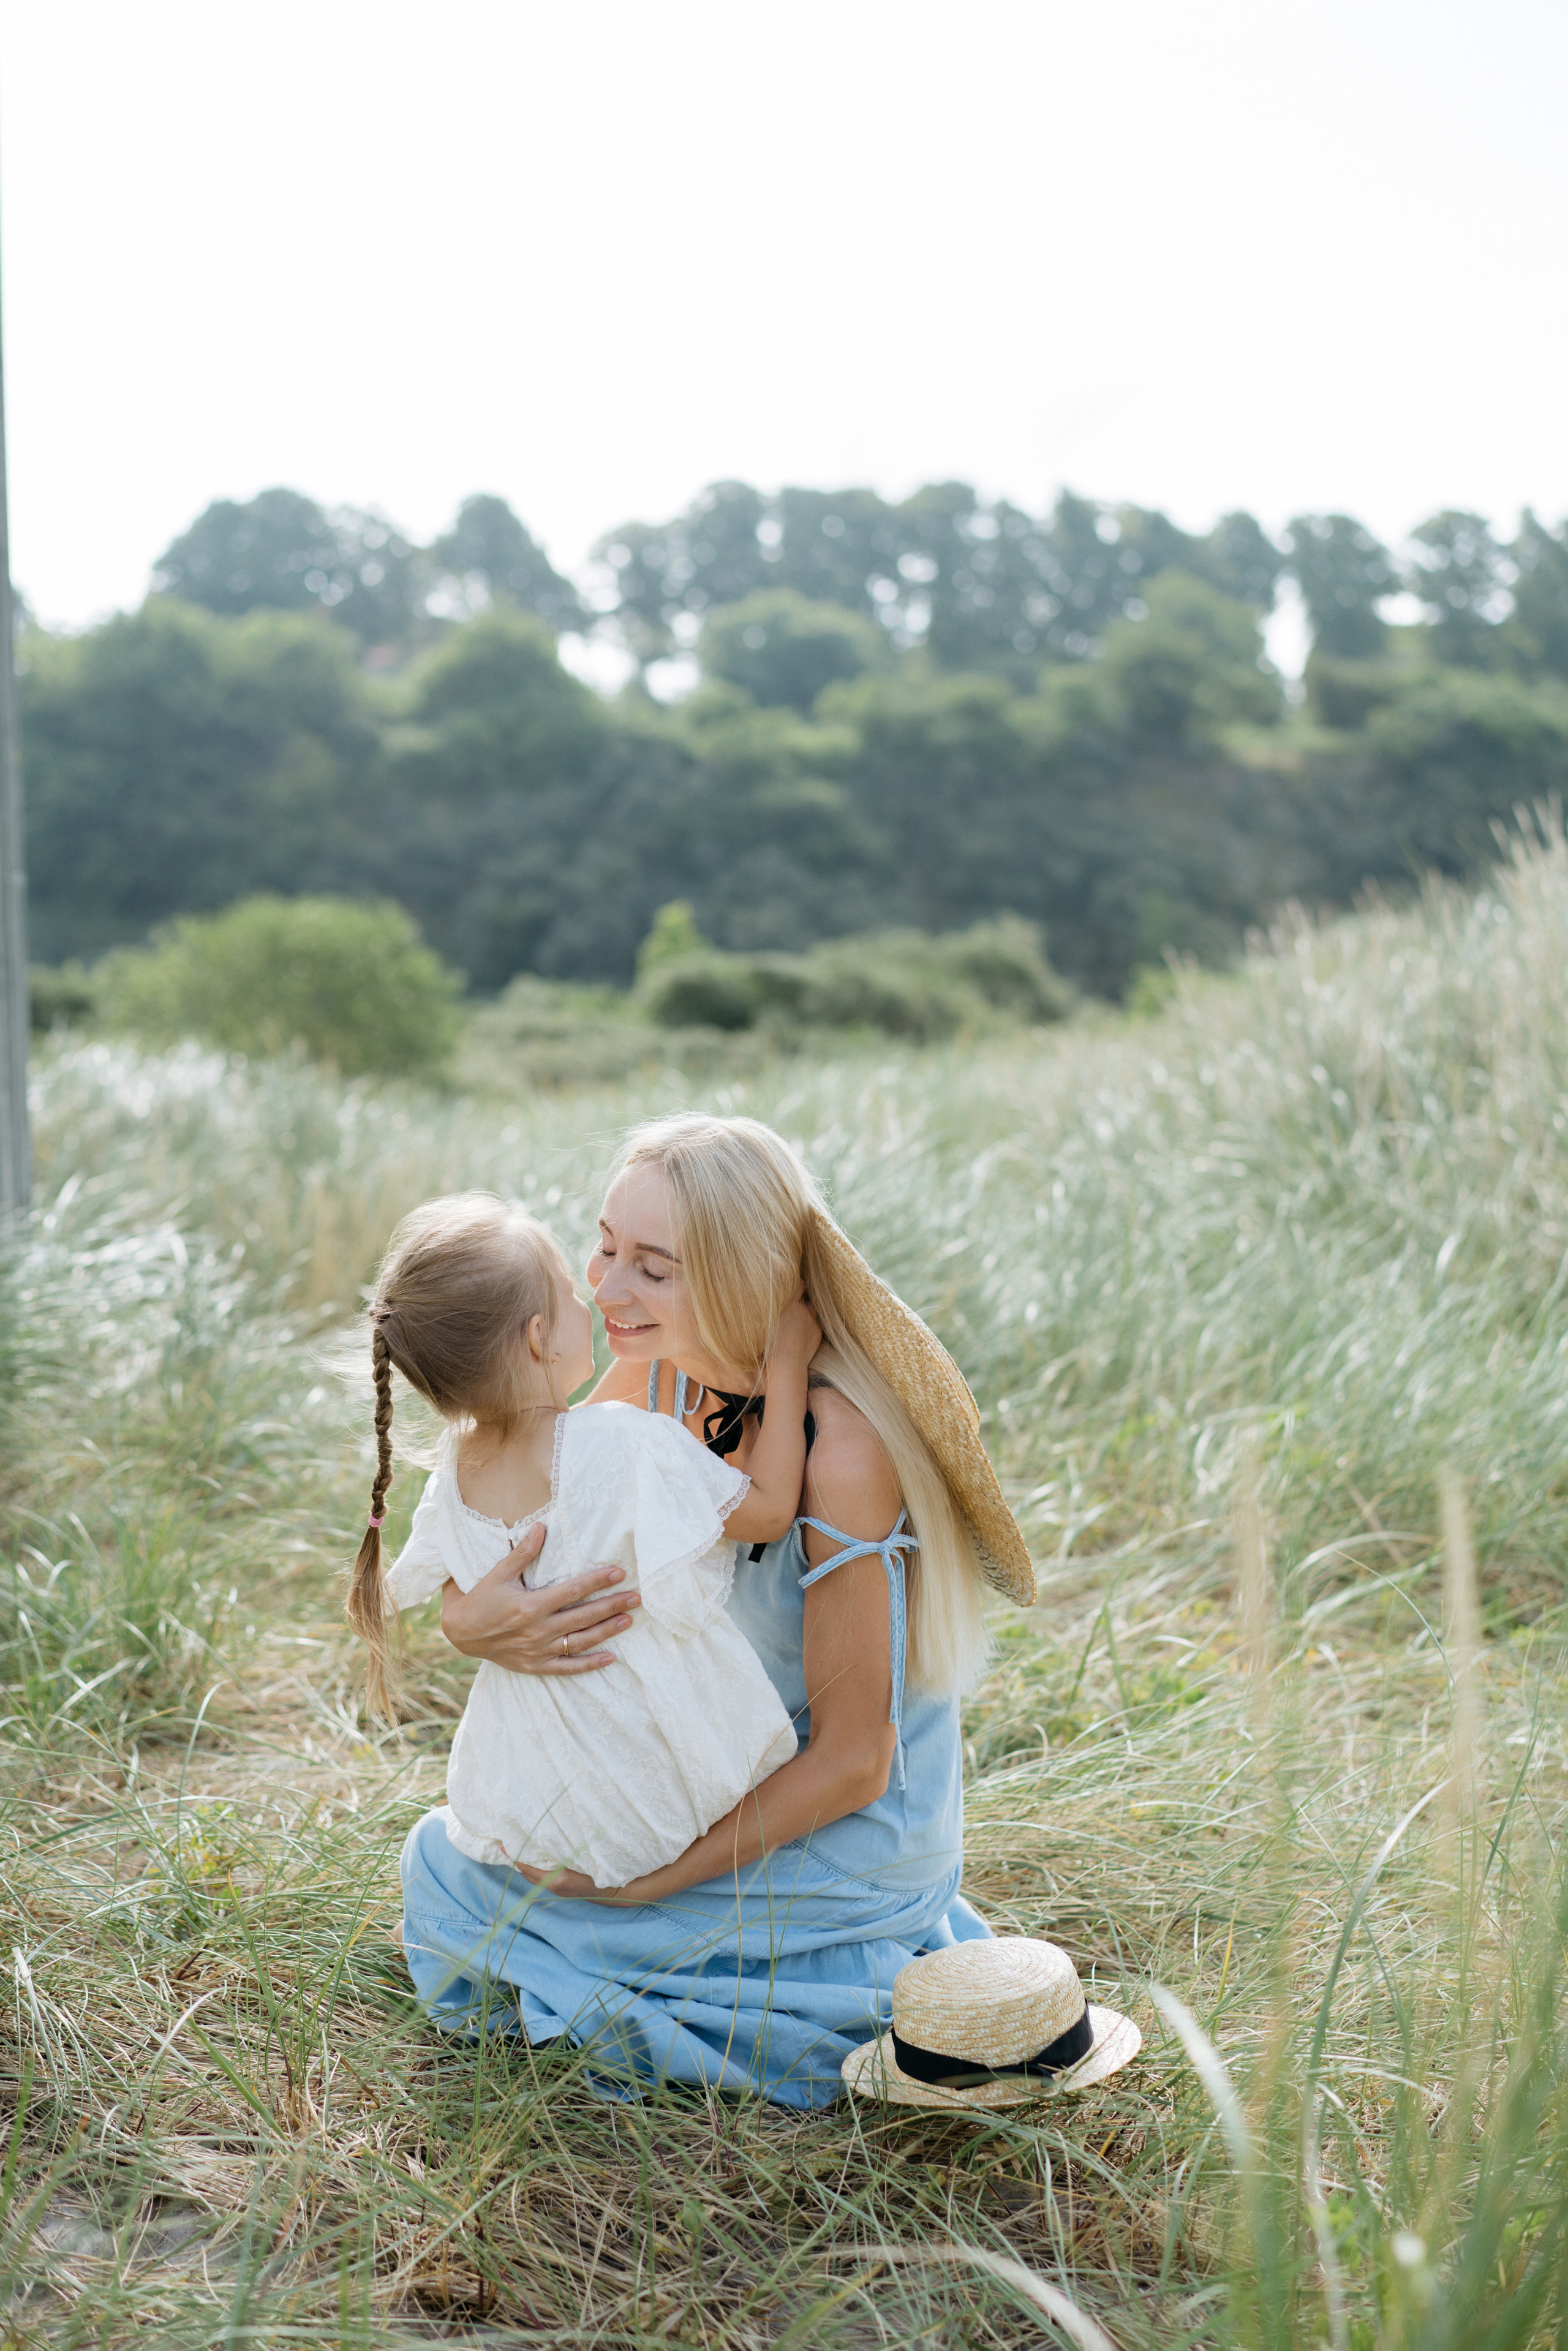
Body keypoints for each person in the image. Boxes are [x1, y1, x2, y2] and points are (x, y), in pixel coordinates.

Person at [398, 1115, 1037, 2108]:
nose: (605, 1288)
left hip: (837, 1821)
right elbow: (521, 1505)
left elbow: (856, 1760)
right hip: (710, 1776)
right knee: (444, 1856)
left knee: (532, 1899)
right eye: (605, 1245)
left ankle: (800, 1969)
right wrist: (466, 1623)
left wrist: (660, 1879)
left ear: (741, 1276)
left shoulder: (839, 1446)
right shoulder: (653, 1374)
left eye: (653, 1267)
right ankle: (656, 1949)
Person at [345, 1191, 813, 1887]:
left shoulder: (456, 1464)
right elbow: (771, 1510)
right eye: (570, 1291)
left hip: (535, 1801)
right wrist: (788, 1360)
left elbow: (460, 1582)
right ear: (539, 1338)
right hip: (655, 1786)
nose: (591, 1299)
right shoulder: (622, 1443)